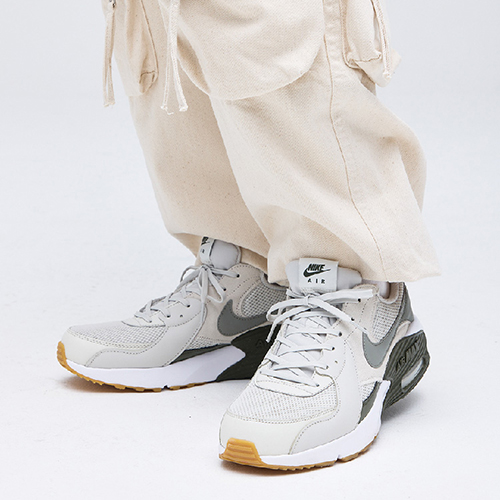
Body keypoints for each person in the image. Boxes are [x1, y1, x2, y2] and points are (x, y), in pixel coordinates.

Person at [57, 0, 439, 470]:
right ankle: (246, 271)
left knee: (265, 17)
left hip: (359, 290)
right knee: (167, 17)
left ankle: (355, 294)